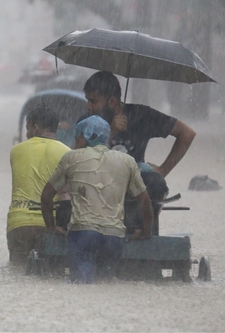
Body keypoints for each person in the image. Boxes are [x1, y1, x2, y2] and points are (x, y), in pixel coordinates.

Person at [41, 116, 153, 284]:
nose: (75, 140)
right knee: (105, 285)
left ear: (86, 136)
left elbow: (46, 196)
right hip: (113, 237)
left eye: (77, 136)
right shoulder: (127, 161)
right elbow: (145, 202)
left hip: (83, 234)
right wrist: (145, 232)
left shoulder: (71, 158)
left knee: (82, 287)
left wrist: (51, 226)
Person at [82, 71, 196, 201]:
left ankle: (149, 219)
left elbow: (187, 134)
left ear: (112, 101)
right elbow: (82, 160)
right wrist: (111, 132)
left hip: (135, 184)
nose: (88, 106)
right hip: (99, 180)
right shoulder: (87, 121)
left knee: (156, 182)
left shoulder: (141, 115)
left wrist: (163, 170)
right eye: (87, 100)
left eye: (93, 101)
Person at [6, 105, 70, 265]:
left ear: (35, 128)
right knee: (50, 278)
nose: (27, 134)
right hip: (51, 224)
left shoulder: (16, 151)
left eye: (28, 129)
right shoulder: (68, 153)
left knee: (17, 276)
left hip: (19, 223)